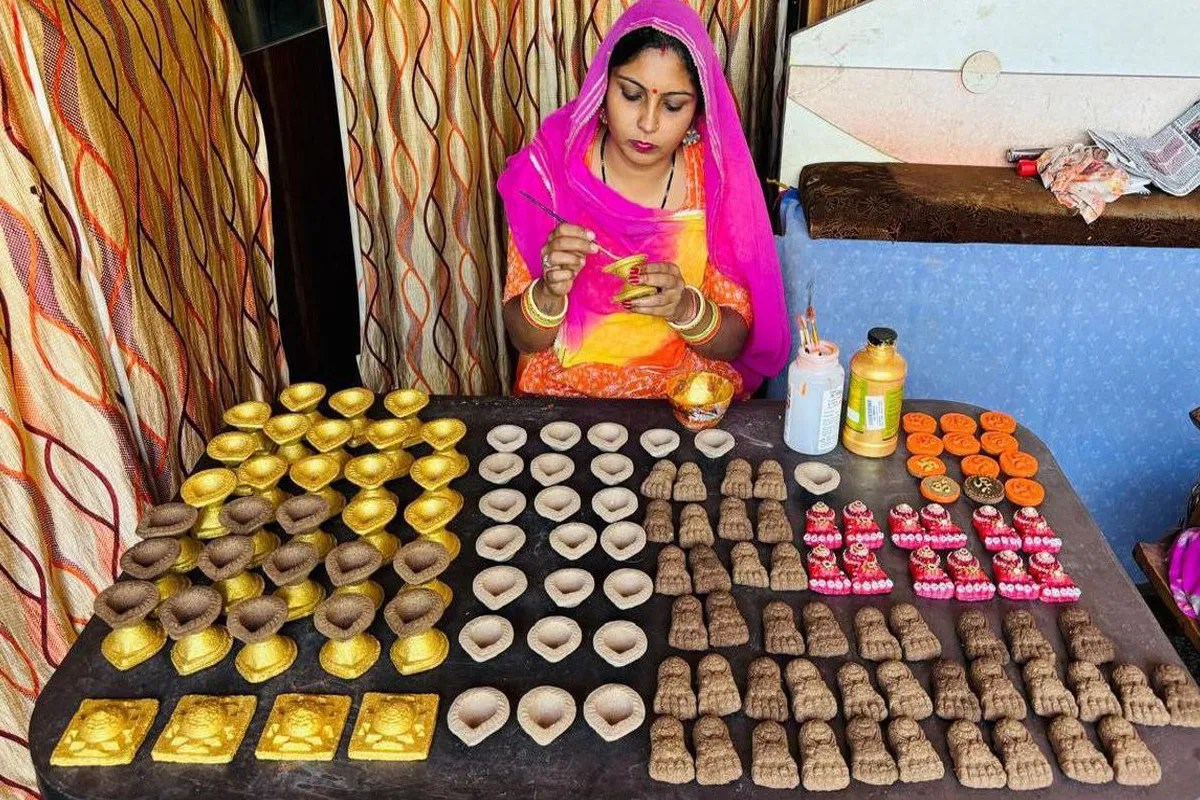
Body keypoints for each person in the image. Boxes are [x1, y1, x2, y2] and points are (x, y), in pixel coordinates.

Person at [497, 0, 789, 398]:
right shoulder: (550, 169)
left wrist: (684, 308)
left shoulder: (714, 181)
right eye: (631, 95)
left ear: (697, 111)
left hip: (679, 398)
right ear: (602, 88)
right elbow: (524, 338)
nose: (648, 123)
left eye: (672, 105)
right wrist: (548, 292)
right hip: (565, 398)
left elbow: (734, 342)